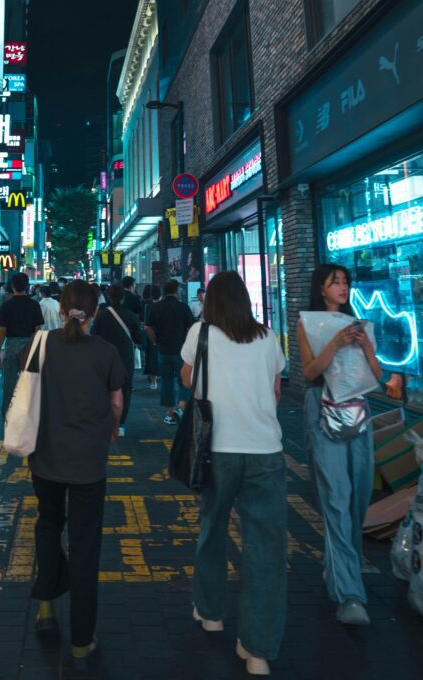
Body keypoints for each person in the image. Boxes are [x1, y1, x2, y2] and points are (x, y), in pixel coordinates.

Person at [181, 271, 287, 677]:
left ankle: (210, 613)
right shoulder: (267, 337)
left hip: (218, 450)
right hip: (266, 452)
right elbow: (276, 392)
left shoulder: (201, 334)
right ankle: (258, 649)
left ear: (210, 301)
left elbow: (189, 381)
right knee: (266, 548)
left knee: (213, 528)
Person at [22, 279, 125, 671]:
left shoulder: (40, 345)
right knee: (85, 546)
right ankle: (82, 642)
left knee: (49, 524)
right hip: (89, 462)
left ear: (61, 310)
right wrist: (110, 429)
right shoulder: (106, 351)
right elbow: (116, 402)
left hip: (45, 457)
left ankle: (46, 606)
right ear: (94, 312)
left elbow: (24, 391)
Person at [298, 263, 383, 627]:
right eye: (335, 282)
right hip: (322, 410)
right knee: (336, 495)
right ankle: (350, 594)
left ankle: (338, 567)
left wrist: (366, 347)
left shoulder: (359, 325)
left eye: (345, 282)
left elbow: (377, 375)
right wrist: (334, 343)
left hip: (358, 411)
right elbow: (308, 372)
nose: (343, 287)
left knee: (359, 494)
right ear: (321, 288)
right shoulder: (307, 323)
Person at [90, 283, 144, 436]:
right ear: (123, 298)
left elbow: (94, 335)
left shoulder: (101, 315)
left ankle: (105, 420)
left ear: (108, 296)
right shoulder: (130, 315)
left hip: (104, 357)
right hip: (125, 357)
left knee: (104, 388)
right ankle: (120, 424)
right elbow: (139, 338)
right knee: (125, 389)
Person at [0, 271, 44, 420]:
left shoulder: (7, 306)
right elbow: (38, 329)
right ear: (27, 286)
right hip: (29, 347)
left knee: (8, 386)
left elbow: (2, 331)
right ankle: (30, 417)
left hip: (11, 347)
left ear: (12, 286)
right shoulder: (34, 304)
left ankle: (8, 418)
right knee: (30, 385)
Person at [145, 278, 194, 423]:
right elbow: (190, 328)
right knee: (184, 379)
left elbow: (147, 327)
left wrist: (154, 340)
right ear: (177, 291)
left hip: (163, 350)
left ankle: (170, 414)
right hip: (181, 351)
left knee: (167, 382)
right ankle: (182, 407)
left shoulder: (156, 307)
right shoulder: (183, 307)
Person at [141, 284, 161, 389]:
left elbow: (146, 323)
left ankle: (153, 382)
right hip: (163, 334)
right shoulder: (163, 305)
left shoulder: (148, 306)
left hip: (151, 334)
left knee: (152, 358)